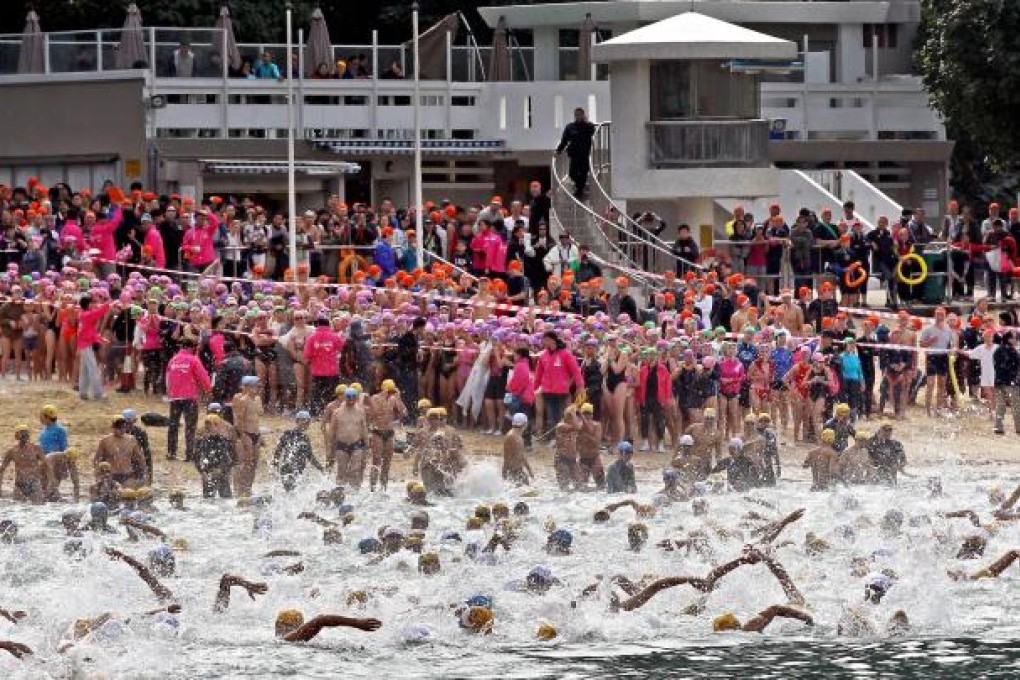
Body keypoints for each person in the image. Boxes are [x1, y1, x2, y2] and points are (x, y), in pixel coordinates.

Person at [166, 338, 212, 462]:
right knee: (190, 427)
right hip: (189, 397)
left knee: (173, 425)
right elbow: (204, 377)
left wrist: (170, 392)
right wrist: (208, 390)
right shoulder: (193, 359)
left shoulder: (173, 359)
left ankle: (171, 452)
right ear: (192, 347)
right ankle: (189, 454)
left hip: (175, 397)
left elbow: (167, 378)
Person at [534, 331, 584, 432]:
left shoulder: (565, 353)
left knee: (559, 414)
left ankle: (558, 437)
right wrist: (535, 388)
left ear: (551, 340)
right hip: (547, 390)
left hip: (561, 390)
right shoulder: (543, 355)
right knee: (551, 414)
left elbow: (576, 370)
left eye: (544, 339)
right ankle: (553, 436)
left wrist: (580, 386)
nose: (542, 341)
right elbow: (538, 374)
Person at [366, 379, 408, 491]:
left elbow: (404, 413)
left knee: (387, 461)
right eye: (389, 392)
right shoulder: (375, 398)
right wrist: (383, 399)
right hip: (377, 432)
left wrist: (398, 398)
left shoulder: (394, 399)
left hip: (389, 433)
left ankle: (384, 487)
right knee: (376, 460)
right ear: (384, 389)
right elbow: (374, 413)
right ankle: (372, 488)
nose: (390, 394)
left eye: (391, 392)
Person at [326, 388, 370, 489]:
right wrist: (329, 448)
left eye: (353, 398)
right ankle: (339, 493)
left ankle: (355, 492)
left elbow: (364, 429)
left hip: (357, 445)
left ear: (356, 398)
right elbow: (332, 431)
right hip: (341, 445)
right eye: (348, 398)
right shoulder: (337, 412)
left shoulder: (360, 412)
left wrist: (367, 446)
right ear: (345, 398)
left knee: (355, 470)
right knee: (341, 471)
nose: (351, 400)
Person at [272, 411, 324, 492]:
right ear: (296, 421)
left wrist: (321, 468)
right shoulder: (288, 434)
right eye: (303, 420)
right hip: (288, 469)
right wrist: (275, 466)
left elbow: (310, 456)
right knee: (290, 491)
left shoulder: (305, 438)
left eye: (307, 422)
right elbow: (277, 452)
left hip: (299, 470)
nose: (305, 423)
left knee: (294, 493)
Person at [304, 317, 345, 416]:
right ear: (328, 325)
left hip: (317, 371)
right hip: (332, 371)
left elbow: (307, 354)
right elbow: (342, 348)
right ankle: (331, 413)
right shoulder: (335, 336)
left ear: (317, 325)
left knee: (316, 394)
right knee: (331, 394)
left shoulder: (311, 338)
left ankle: (314, 413)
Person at [94, 418, 148, 489]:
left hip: (128, 474)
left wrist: (144, 473)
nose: (122, 430)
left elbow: (140, 457)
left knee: (128, 493)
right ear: (113, 428)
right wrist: (97, 474)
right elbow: (96, 459)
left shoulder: (131, 440)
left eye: (124, 427)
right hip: (111, 475)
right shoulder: (105, 441)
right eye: (119, 428)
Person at [555, 107, 597, 199]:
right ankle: (579, 188)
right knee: (572, 173)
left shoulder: (588, 126)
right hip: (574, 154)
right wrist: (558, 150)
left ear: (583, 115)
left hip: (585, 154)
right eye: (576, 115)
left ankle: (579, 191)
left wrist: (585, 122)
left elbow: (592, 131)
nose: (577, 116)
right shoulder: (570, 127)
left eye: (579, 115)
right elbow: (564, 140)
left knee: (583, 173)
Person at [0, 424, 47, 502]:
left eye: (26, 432)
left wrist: (48, 484)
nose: (24, 435)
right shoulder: (12, 451)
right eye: (22, 433)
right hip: (19, 486)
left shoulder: (36, 448)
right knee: (17, 509)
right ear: (17, 436)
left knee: (37, 508)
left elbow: (46, 466)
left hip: (34, 484)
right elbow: (2, 469)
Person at [194, 415, 237, 499]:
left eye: (210, 428)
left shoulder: (224, 441)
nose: (208, 430)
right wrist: (202, 472)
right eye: (206, 428)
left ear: (217, 426)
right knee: (208, 502)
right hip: (207, 474)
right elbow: (196, 458)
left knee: (226, 500)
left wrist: (222, 470)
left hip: (222, 475)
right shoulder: (201, 441)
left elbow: (235, 459)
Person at [993, 330, 1020, 435]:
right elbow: (1015, 367)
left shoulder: (998, 350)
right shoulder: (1012, 351)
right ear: (1009, 339)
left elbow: (998, 366)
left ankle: (998, 427)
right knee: (1016, 406)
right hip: (1011, 383)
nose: (1016, 340)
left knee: (1000, 406)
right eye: (1014, 338)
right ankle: (1018, 427)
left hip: (999, 382)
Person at [502, 412, 533, 486]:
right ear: (525, 424)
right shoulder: (516, 437)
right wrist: (530, 470)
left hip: (513, 470)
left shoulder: (514, 435)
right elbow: (521, 456)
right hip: (515, 472)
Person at [122, 409, 152, 484]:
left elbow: (147, 452)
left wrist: (149, 473)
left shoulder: (140, 432)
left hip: (136, 463)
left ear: (135, 420)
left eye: (129, 420)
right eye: (125, 420)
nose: (127, 423)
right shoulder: (120, 432)